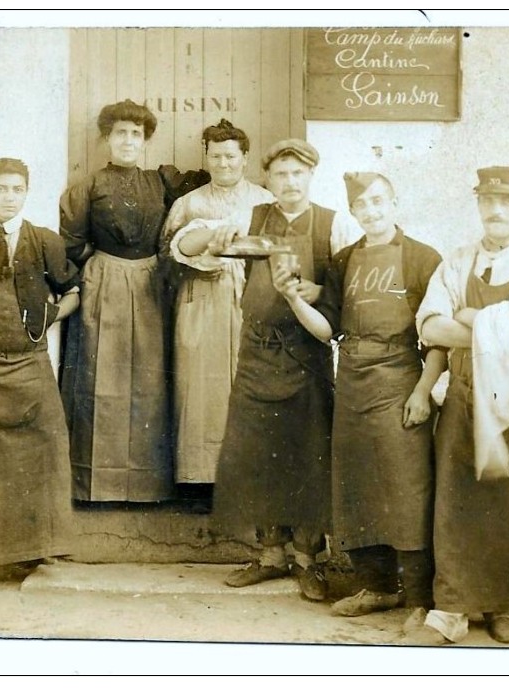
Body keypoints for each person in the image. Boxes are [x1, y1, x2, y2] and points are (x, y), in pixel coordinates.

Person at [272, 172, 444, 620]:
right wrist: (293, 300)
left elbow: (438, 339)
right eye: (362, 205)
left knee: (407, 489)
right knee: (358, 486)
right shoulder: (345, 260)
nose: (372, 210)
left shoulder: (424, 258)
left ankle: (421, 599)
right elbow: (329, 328)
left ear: (394, 201)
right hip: (351, 381)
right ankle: (377, 587)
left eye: (379, 201)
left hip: (401, 379)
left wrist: (424, 391)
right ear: (354, 212)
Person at [209, 138, 359, 602]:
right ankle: (270, 555)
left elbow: (347, 289)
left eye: (298, 173)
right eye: (280, 175)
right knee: (257, 454)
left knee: (307, 455)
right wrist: (210, 237)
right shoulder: (253, 219)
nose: (289, 182)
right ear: (268, 180)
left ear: (311, 177)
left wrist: (319, 289)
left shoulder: (336, 226)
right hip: (256, 354)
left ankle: (308, 560)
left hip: (304, 357)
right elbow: (196, 246)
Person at [410, 166, 509, 645]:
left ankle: (505, 605)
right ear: (478, 206)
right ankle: (451, 608)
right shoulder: (457, 261)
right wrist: (491, 325)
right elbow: (430, 326)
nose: (496, 210)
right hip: (464, 395)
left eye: (507, 201)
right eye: (488, 201)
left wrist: (467, 318)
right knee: (455, 501)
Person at [0, 158, 80, 590]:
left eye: (17, 189)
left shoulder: (45, 242)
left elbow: (73, 292)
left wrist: (49, 317)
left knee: (43, 454)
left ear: (27, 194)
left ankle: (35, 551)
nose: (9, 196)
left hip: (31, 366)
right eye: (1, 188)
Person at [59, 99, 175, 502]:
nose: (129, 141)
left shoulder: (161, 183)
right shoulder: (88, 188)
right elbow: (71, 246)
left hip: (148, 288)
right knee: (98, 379)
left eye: (136, 134)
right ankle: (95, 487)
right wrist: (101, 268)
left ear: (144, 141)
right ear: (107, 138)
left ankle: (147, 486)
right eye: (120, 133)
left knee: (148, 381)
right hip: (103, 285)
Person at [162, 119, 275, 486]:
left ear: (245, 158)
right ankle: (200, 478)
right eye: (216, 156)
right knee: (201, 386)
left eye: (231, 156)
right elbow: (166, 253)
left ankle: (248, 476)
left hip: (249, 295)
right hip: (201, 297)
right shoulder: (189, 203)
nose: (224, 164)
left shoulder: (264, 199)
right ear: (207, 158)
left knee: (247, 381)